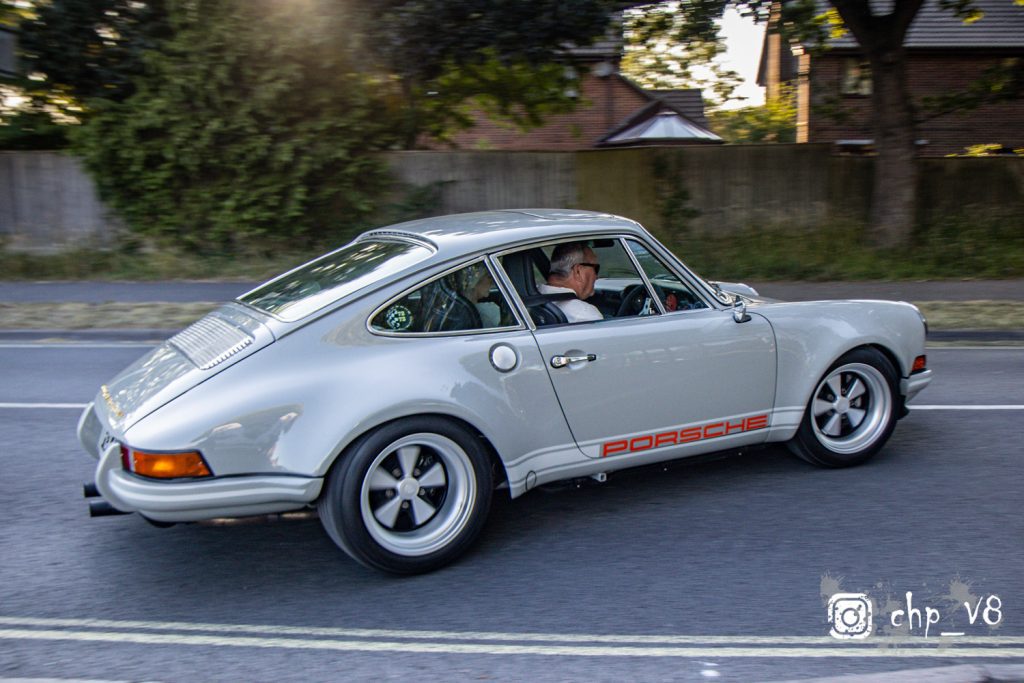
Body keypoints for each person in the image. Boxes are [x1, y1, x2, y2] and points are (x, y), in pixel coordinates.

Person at [538, 242, 603, 323]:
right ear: (578, 271)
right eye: (596, 269)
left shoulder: (536, 294)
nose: (597, 277)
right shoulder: (585, 315)